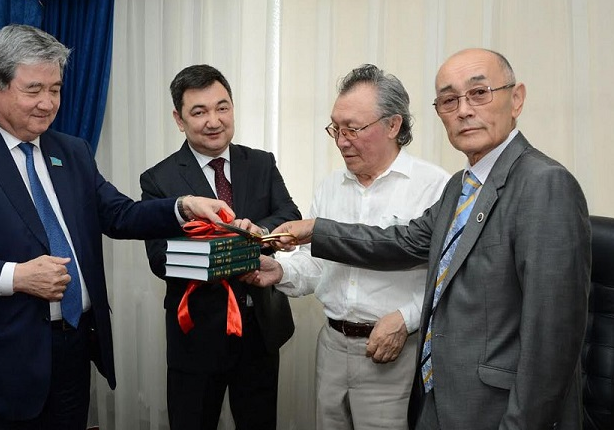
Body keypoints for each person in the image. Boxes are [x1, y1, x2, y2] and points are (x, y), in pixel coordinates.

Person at [0, 24, 232, 430]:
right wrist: (16, 277)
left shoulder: (72, 151)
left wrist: (183, 207)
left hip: (73, 347)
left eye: (55, 89)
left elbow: (119, 215)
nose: (47, 103)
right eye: (34, 90)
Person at [263, 49, 591, 429]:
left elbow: (552, 339)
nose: (463, 110)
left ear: (516, 99)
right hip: (443, 395)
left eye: (479, 93)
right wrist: (314, 230)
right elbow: (400, 243)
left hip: (496, 407)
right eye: (449, 100)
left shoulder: (544, 183)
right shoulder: (461, 187)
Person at [242, 64, 449, 429]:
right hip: (332, 347)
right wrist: (280, 271)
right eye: (335, 128)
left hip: (393, 353)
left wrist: (406, 319)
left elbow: (447, 277)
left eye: (352, 128)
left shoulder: (433, 187)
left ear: (393, 125)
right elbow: (317, 266)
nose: (341, 140)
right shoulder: (330, 187)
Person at [140, 64, 301, 430]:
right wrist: (230, 247)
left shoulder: (260, 162)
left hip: (260, 329)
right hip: (196, 336)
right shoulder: (159, 179)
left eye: (222, 107)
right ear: (179, 119)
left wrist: (259, 231)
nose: (214, 121)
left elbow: (289, 214)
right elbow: (160, 258)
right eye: (199, 112)